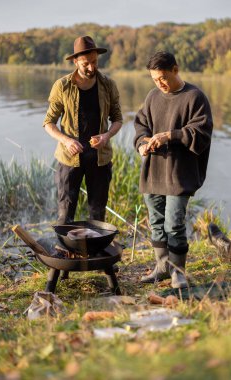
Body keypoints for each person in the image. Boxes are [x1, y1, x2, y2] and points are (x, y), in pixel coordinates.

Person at [134, 51, 213, 288]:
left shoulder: (195, 97)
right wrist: (141, 145)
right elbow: (140, 125)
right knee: (157, 222)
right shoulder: (152, 96)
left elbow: (201, 133)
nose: (160, 84)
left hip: (180, 173)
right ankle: (162, 267)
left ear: (175, 69)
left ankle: (178, 271)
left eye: (163, 78)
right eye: (155, 79)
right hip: (154, 170)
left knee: (174, 222)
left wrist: (171, 135)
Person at [43, 36, 123, 224]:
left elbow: (118, 119)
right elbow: (48, 123)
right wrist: (67, 140)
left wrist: (107, 135)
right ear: (75, 61)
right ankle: (65, 250)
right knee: (65, 216)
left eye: (94, 62)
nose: (91, 67)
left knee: (97, 215)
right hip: (69, 159)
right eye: (86, 63)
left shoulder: (108, 85)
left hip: (100, 158)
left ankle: (95, 252)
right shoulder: (62, 86)